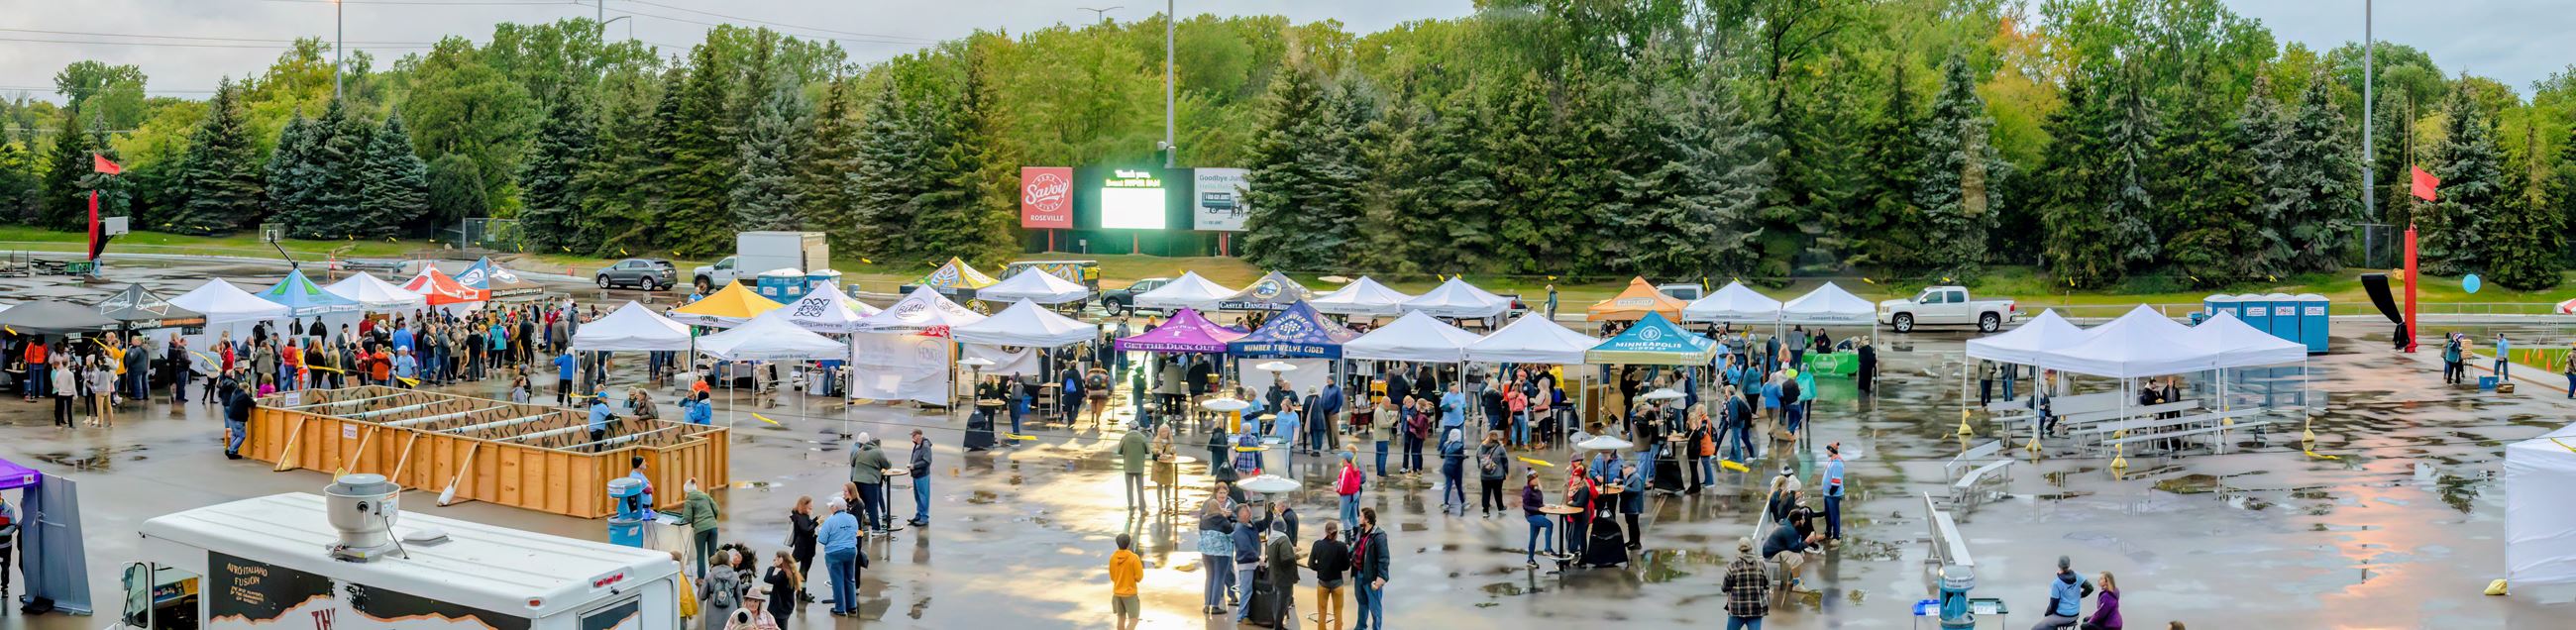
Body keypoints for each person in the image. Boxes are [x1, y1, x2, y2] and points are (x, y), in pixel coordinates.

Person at [817, 498, 862, 616]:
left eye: (831, 506)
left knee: (837, 581)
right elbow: (855, 533)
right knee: (850, 579)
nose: (830, 508)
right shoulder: (852, 518)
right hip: (851, 551)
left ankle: (840, 608)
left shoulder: (830, 521)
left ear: (836, 508)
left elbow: (822, 539)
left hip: (834, 553)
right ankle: (852, 606)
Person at [1349, 506, 1390, 630]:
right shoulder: (1360, 531)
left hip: (1370, 577)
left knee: (1375, 607)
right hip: (1359, 574)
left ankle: (1376, 628)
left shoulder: (1379, 536)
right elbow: (1355, 549)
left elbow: (1384, 559)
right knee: (1362, 602)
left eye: (1361, 516)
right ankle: (1360, 627)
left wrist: (1380, 578)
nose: (1358, 518)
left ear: (1367, 519)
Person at [1763, 512, 1823, 594]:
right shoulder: (1789, 530)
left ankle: (1794, 579)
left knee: (1800, 553)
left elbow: (1795, 542)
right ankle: (1797, 585)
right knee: (1796, 557)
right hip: (1771, 554)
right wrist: (1807, 541)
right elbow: (1796, 548)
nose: (1804, 521)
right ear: (1798, 522)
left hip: (1775, 549)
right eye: (1802, 519)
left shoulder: (1788, 524)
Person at [1197, 499, 1236, 615]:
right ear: (1219, 508)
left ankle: (1206, 605)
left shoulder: (1203, 520)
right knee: (1219, 577)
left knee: (1209, 577)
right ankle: (1215, 606)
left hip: (1206, 553)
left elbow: (1201, 533)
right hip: (1221, 553)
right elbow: (1231, 535)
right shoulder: (1223, 521)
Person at [1309, 520, 1350, 630]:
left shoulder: (1317, 545)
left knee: (1322, 612)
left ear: (1325, 532)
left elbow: (1311, 564)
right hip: (1337, 584)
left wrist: (1321, 569)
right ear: (1336, 533)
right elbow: (1347, 566)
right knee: (1338, 613)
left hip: (1322, 583)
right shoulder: (1342, 547)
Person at [2034, 555, 2095, 630]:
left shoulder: (2056, 583)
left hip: (2062, 616)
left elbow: (2053, 604)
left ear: (2058, 565)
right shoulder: (2078, 576)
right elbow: (2090, 588)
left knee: (2036, 628)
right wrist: (2078, 596)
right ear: (2069, 564)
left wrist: (2047, 615)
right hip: (2075, 614)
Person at [1723, 537, 1771, 629]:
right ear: (1751, 548)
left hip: (1737, 609)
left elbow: (1725, 587)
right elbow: (1767, 584)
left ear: (1739, 550)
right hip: (1756, 609)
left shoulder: (1732, 566)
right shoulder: (1760, 564)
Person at [848, 434, 892, 534]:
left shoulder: (860, 450)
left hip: (857, 480)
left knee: (859, 505)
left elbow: (853, 462)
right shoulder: (878, 451)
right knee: (872, 505)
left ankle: (859, 528)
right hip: (870, 482)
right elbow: (887, 465)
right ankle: (876, 529)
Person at [1264, 517, 1302, 626]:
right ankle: (1278, 625)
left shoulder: (1272, 538)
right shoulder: (1283, 539)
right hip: (1284, 578)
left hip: (1275, 576)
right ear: (1283, 527)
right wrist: (1295, 557)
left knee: (1276, 600)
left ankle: (1276, 621)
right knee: (1283, 602)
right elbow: (1287, 559)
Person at [682, 478, 722, 576]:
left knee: (700, 555)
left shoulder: (689, 500)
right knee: (713, 554)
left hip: (700, 529)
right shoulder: (705, 496)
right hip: (713, 528)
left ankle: (701, 579)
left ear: (687, 491)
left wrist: (688, 522)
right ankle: (714, 576)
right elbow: (717, 510)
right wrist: (712, 520)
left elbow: (687, 517)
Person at [1230, 505, 1262, 623]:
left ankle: (1247, 614)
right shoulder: (1239, 529)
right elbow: (1245, 548)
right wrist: (1258, 558)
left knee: (1249, 589)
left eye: (1249, 511)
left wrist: (1269, 512)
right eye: (1245, 512)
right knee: (1246, 589)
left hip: (1253, 561)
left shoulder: (1250, 524)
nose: (1249, 513)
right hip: (1246, 563)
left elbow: (1262, 525)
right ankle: (1242, 616)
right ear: (1239, 515)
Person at [698, 548, 742, 630]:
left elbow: (702, 596)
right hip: (731, 610)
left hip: (713, 611)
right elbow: (739, 598)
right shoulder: (735, 575)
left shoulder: (709, 575)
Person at [1520, 470, 1555, 567]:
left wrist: (1546, 506)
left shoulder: (1537, 489)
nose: (1537, 479)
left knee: (1533, 538)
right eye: (1535, 478)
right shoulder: (1527, 490)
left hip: (1539, 515)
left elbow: (1539, 503)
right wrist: (1538, 509)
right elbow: (1525, 506)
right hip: (1532, 516)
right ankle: (1547, 549)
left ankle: (1530, 559)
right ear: (1530, 480)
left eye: (1537, 477)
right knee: (1549, 524)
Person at [1109, 533, 1143, 630]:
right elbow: (1139, 577)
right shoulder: (1133, 558)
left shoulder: (1112, 558)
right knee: (1134, 620)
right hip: (1130, 594)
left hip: (1117, 593)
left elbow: (1112, 577)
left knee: (1121, 619)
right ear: (1128, 544)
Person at [788, 496, 818, 603]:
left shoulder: (799, 516)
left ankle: (800, 592)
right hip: (805, 548)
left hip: (802, 547)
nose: (811, 507)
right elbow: (806, 530)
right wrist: (816, 523)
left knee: (803, 570)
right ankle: (802, 593)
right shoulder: (802, 517)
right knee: (804, 571)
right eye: (810, 505)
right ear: (804, 505)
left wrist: (814, 520)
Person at [760, 551, 798, 626]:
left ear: (781, 560)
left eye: (776, 559)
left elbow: (767, 578)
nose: (774, 560)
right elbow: (783, 588)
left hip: (779, 610)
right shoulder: (791, 572)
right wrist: (770, 591)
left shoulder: (783, 574)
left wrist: (773, 566)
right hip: (786, 607)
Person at [222, 375, 255, 459]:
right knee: (241, 436)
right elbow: (253, 404)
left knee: (234, 434)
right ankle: (231, 450)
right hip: (238, 418)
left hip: (231, 416)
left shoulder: (235, 393)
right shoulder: (244, 395)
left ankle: (232, 450)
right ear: (246, 388)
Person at [1477, 430, 1508, 516]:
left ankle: (1485, 511)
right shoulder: (1500, 448)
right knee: (1497, 492)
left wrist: (1480, 466)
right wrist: (1506, 470)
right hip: (1497, 475)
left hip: (1484, 475)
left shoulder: (1481, 446)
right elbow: (1505, 460)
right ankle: (1500, 507)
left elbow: (1477, 456)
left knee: (1485, 492)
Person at [1438, 428, 1467, 514]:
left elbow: (1441, 455)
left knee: (1448, 486)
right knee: (1458, 486)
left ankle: (1446, 503)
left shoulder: (1446, 444)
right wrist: (1464, 456)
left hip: (1446, 467)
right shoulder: (1460, 445)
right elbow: (1460, 458)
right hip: (1456, 468)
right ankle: (1463, 502)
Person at [908, 430, 933, 526]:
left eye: (914, 436)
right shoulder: (917, 445)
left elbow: (927, 461)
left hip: (922, 475)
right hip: (916, 475)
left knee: (924, 496)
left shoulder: (925, 446)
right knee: (917, 496)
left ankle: (924, 517)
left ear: (919, 435)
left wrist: (915, 466)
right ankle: (919, 514)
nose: (912, 438)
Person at [1335, 450, 1364, 530]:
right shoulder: (1354, 468)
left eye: (1342, 458)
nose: (1341, 460)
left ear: (1345, 460)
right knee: (1354, 515)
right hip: (1355, 494)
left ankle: (1347, 539)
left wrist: (1337, 487)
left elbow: (1343, 486)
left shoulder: (1345, 469)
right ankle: (1356, 535)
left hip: (1347, 496)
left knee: (1344, 518)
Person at [1823, 442, 1847, 543]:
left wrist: (1832, 491)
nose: (1826, 451)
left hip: (1833, 495)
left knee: (1834, 516)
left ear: (1831, 451)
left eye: (1827, 449)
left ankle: (1836, 537)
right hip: (1827, 494)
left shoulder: (1837, 464)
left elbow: (1836, 481)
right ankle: (1828, 532)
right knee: (1828, 515)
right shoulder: (1832, 460)